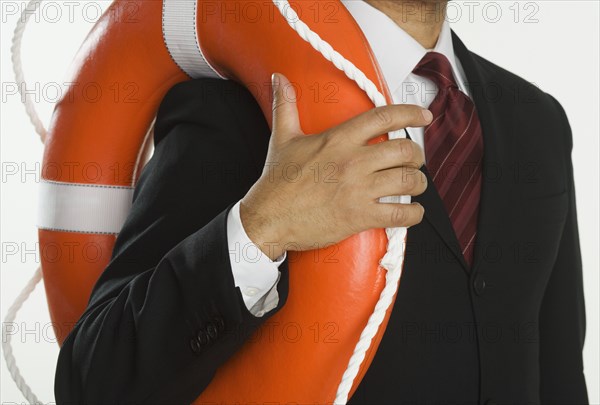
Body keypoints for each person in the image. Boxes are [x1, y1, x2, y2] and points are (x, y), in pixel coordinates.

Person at [54, 1, 588, 404]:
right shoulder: (243, 108)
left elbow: (561, 369)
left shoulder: (538, 121)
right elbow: (91, 380)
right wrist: (262, 226)